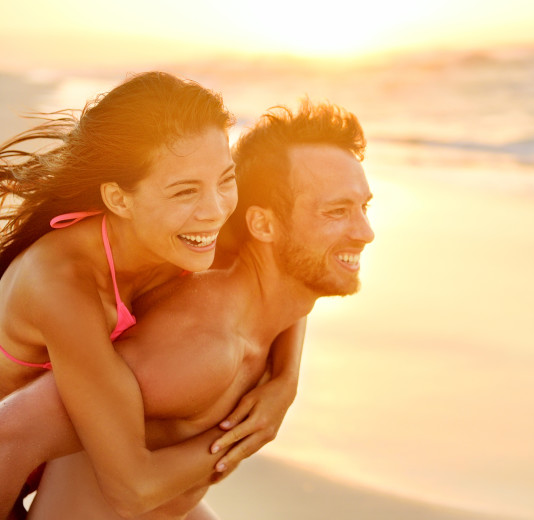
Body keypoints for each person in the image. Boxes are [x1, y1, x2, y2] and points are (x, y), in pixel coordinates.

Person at [0, 100, 374, 519]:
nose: (367, 232)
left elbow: (286, 272)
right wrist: (242, 439)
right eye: (336, 212)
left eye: (364, 207)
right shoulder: (191, 348)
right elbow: (9, 434)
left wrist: (287, 380)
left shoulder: (208, 241)